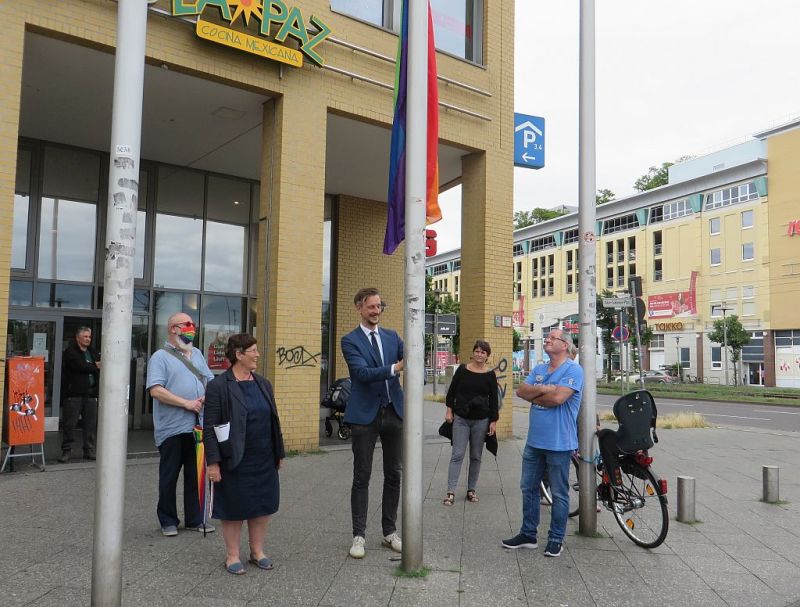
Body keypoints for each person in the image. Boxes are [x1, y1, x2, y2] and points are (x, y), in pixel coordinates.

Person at [204, 334, 285, 575]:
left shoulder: (263, 383)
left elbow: (273, 420)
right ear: (239, 355)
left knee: (261, 505)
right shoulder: (219, 386)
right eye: (253, 351)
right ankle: (232, 555)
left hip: (263, 456)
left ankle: (257, 551)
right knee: (233, 507)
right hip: (234, 458)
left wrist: (278, 452)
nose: (257, 355)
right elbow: (210, 427)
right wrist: (213, 463)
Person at [503, 328, 584, 558]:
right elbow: (520, 391)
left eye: (552, 338)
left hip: (559, 443)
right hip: (534, 442)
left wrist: (536, 394)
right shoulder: (539, 369)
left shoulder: (574, 370)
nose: (547, 340)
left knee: (559, 493)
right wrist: (541, 389)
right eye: (547, 337)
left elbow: (557, 399)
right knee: (527, 488)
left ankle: (556, 539)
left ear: (565, 345)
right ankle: (528, 534)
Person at [341, 287, 404, 559]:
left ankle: (389, 532)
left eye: (380, 307)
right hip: (365, 415)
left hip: (393, 412)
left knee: (394, 474)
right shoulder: (350, 340)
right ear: (359, 307)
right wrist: (395, 368)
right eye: (371, 307)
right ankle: (359, 536)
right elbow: (361, 373)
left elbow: (410, 355)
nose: (376, 311)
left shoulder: (392, 337)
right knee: (362, 475)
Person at [146, 312, 215, 537]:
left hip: (197, 427)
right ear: (173, 329)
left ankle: (195, 518)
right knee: (169, 475)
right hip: (172, 428)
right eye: (186, 325)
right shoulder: (160, 357)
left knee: (195, 476)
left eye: (192, 324)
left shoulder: (197, 354)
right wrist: (185, 403)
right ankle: (168, 520)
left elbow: (209, 381)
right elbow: (156, 390)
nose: (191, 328)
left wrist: (205, 397)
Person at [442, 340, 498, 506]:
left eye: (483, 352)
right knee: (457, 455)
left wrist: (493, 421)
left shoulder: (490, 375)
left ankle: (471, 490)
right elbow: (451, 392)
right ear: (473, 352)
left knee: (476, 456)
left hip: (481, 420)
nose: (480, 354)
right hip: (461, 419)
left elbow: (494, 400)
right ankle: (450, 491)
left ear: (487, 356)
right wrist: (449, 410)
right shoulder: (462, 370)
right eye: (477, 351)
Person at [59, 327, 100, 463]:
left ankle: (88, 450)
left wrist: (92, 365)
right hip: (74, 394)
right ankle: (66, 451)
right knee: (70, 424)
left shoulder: (92, 352)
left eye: (89, 337)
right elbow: (79, 366)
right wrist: (94, 366)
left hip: (90, 394)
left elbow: (99, 365)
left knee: (90, 424)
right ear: (78, 338)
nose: (88, 339)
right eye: (85, 336)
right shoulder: (70, 352)